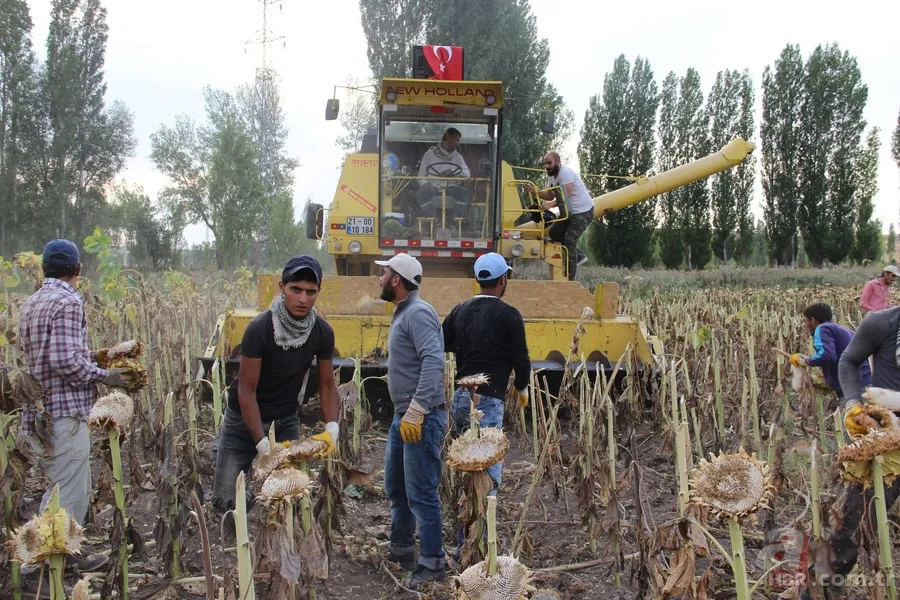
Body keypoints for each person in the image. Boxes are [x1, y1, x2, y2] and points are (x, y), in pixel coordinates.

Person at [17, 240, 134, 587]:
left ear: (44, 268)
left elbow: (49, 355)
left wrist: (93, 356)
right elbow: (64, 362)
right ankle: (35, 570)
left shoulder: (33, 301)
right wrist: (107, 376)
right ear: (78, 270)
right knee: (67, 491)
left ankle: (66, 554)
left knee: (71, 486)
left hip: (41, 411)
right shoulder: (68, 301)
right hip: (63, 411)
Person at [211, 255, 339, 517]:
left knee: (287, 500)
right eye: (296, 290)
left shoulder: (322, 332)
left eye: (311, 292)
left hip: (285, 419)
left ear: (319, 291)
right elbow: (246, 389)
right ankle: (245, 501)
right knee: (227, 503)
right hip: (243, 419)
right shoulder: (260, 329)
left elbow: (327, 384)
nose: (303, 299)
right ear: (282, 288)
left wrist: (332, 427)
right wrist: (261, 443)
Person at [799, 305, 900, 599]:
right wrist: (853, 403)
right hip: (887, 447)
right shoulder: (883, 323)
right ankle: (816, 593)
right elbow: (848, 360)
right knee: (852, 529)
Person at [442, 252, 531, 563]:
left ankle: (463, 543)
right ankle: (479, 549)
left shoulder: (459, 310)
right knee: (488, 475)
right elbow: (521, 359)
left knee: (466, 468)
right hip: (489, 404)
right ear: (503, 280)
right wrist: (522, 388)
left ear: (478, 279)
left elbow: (443, 343)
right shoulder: (510, 315)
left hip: (460, 400)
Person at [375, 253, 448, 589]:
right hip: (403, 416)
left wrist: (418, 409)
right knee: (398, 486)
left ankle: (433, 562)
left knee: (421, 492)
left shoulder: (417, 313)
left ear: (396, 280)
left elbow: (434, 361)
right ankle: (401, 548)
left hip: (422, 417)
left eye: (384, 273)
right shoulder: (404, 312)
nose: (379, 279)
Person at [524, 152, 594, 280]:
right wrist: (536, 192)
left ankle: (570, 279)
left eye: (549, 163)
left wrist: (549, 205)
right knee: (554, 232)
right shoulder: (552, 176)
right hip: (568, 212)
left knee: (569, 240)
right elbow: (550, 195)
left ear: (558, 161)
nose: (547, 166)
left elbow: (565, 196)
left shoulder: (565, 173)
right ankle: (578, 255)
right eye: (545, 163)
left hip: (583, 211)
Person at [790, 302, 871, 401]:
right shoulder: (845, 331)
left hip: (852, 386)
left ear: (812, 320)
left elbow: (827, 355)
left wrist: (806, 361)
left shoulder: (822, 328)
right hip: (866, 381)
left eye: (805, 321)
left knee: (850, 410)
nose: (805, 325)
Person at [416, 127, 471, 222]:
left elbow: (467, 174)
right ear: (448, 138)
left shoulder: (457, 157)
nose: (458, 143)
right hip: (433, 187)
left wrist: (452, 171)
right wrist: (425, 184)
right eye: (456, 140)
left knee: (463, 192)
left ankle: (457, 221)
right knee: (421, 193)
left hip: (451, 188)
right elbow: (420, 176)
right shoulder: (429, 155)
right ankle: (433, 220)